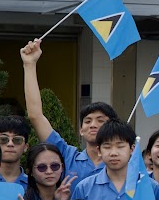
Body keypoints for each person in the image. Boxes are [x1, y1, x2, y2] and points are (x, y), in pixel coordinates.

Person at [21, 39, 116, 182]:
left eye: (100, 120)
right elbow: (36, 116)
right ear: (81, 130)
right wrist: (29, 64)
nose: (93, 125)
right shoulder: (67, 156)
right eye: (87, 121)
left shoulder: (123, 164)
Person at [0, 116, 31, 187]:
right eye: (3, 139)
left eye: (17, 140)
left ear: (25, 147)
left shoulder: (35, 186)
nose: (10, 144)